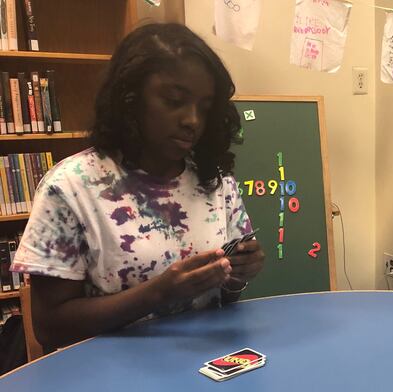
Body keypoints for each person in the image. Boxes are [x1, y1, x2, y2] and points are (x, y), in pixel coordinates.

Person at [11, 23, 265, 351]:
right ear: (130, 99)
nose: (192, 120)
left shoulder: (214, 180)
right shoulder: (70, 187)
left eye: (204, 107)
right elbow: (50, 328)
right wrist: (160, 292)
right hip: (109, 377)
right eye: (175, 100)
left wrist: (237, 276)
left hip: (203, 364)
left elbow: (224, 300)